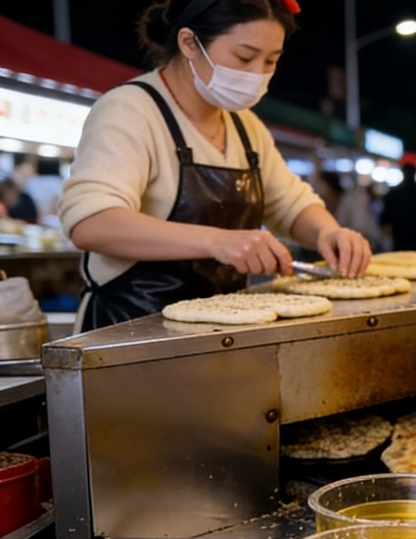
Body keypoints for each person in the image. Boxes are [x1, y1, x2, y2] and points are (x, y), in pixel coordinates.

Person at [59, 0, 371, 332]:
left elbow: (292, 205)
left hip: (222, 332)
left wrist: (329, 232)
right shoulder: (130, 110)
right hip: (131, 330)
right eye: (244, 57)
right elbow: (92, 223)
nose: (258, 75)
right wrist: (216, 241)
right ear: (189, 43)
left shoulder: (245, 127)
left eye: (271, 61)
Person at [315, 172, 378, 249]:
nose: (318, 192)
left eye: (321, 188)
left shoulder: (351, 200)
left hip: (361, 245)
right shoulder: (333, 203)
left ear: (331, 186)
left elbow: (360, 228)